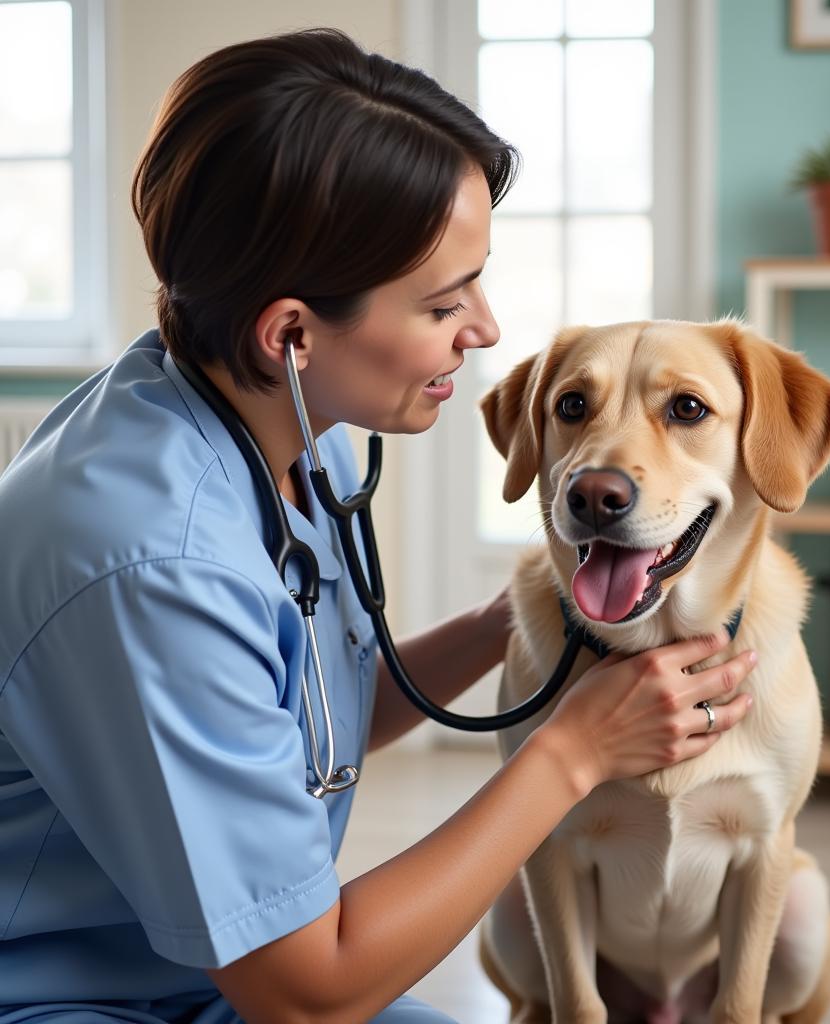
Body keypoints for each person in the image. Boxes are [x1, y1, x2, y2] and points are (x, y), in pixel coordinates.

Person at [0, 28, 756, 1024]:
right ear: (292, 332)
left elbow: (303, 718)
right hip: (75, 997)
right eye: (444, 301)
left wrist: (513, 620)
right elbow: (306, 992)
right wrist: (572, 752)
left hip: (205, 970)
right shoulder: (152, 559)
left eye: (477, 281)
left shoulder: (282, 419)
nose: (483, 328)